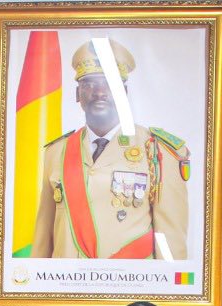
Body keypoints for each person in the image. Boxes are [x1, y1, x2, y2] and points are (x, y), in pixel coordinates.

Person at [30, 39, 191, 260]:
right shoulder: (57, 152)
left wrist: (170, 291)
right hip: (67, 289)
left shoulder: (157, 150)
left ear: (123, 92)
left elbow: (170, 244)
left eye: (109, 84)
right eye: (89, 84)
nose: (99, 92)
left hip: (131, 290)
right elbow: (43, 239)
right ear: (77, 94)